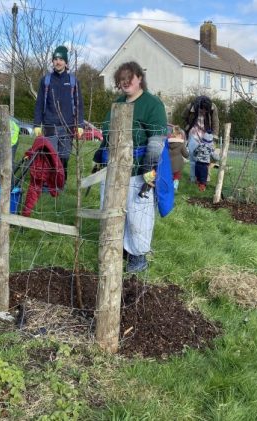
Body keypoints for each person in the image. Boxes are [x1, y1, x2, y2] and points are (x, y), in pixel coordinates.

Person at [95, 61, 167, 272]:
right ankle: (116, 249)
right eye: (121, 81)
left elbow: (156, 139)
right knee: (111, 209)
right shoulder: (118, 103)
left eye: (129, 79)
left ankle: (138, 255)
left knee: (137, 214)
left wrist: (148, 170)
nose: (125, 83)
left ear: (139, 78)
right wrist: (99, 156)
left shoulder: (152, 104)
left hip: (138, 170)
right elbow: (108, 132)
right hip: (114, 167)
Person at [33, 45, 84, 181]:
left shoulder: (73, 81)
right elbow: (39, 104)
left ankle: (61, 182)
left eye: (61, 59)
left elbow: (79, 105)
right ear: (52, 62)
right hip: (50, 125)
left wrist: (80, 125)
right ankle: (51, 184)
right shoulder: (46, 81)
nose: (58, 62)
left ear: (66, 62)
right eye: (55, 59)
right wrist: (37, 124)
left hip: (67, 126)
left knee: (64, 157)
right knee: (50, 156)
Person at [182, 96, 219, 182]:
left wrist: (214, 138)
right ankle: (193, 178)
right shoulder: (191, 106)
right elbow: (183, 116)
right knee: (193, 156)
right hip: (194, 132)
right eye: (203, 110)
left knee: (207, 156)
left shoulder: (213, 108)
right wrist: (188, 124)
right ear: (199, 107)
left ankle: (205, 178)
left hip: (207, 134)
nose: (205, 112)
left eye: (207, 110)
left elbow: (215, 122)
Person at [167, 125, 188, 191]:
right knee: (176, 177)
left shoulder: (167, 143)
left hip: (168, 164)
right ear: (179, 135)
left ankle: (168, 186)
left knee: (169, 176)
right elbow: (186, 155)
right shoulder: (181, 144)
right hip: (178, 165)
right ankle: (174, 187)